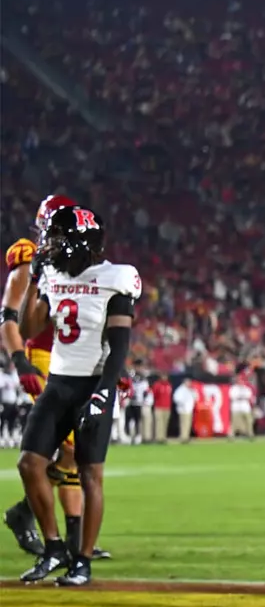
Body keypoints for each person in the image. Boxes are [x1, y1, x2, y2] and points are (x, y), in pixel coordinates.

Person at [15, 205, 138, 586]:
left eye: (56, 238)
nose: (48, 245)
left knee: (89, 474)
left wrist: (103, 394)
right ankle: (54, 548)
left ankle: (82, 561)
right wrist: (35, 279)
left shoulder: (115, 277)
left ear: (77, 241)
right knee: (29, 463)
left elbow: (118, 345)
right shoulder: (51, 273)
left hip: (93, 383)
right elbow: (28, 326)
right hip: (59, 381)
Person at [2, 195, 88, 559]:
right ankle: (29, 516)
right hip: (43, 356)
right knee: (68, 446)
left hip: (76, 359)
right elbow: (7, 318)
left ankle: (70, 538)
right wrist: (20, 361)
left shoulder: (79, 262)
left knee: (78, 451)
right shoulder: (29, 261)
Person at [228, 374, 255, 440]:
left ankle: (250, 434)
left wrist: (240, 397)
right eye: (240, 381)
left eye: (242, 381)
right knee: (234, 422)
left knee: (249, 421)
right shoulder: (233, 388)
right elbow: (232, 396)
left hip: (245, 407)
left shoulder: (246, 388)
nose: (241, 382)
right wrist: (241, 396)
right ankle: (231, 435)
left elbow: (249, 396)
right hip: (236, 407)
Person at [173, 378, 197, 443]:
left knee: (188, 424)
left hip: (189, 409)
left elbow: (195, 397)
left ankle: (186, 437)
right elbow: (176, 399)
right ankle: (183, 437)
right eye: (188, 382)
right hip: (183, 410)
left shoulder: (191, 390)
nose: (189, 384)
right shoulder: (180, 390)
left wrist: (193, 391)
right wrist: (183, 405)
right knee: (183, 424)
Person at [150, 374, 172, 443]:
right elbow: (154, 394)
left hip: (167, 407)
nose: (164, 377)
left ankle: (163, 437)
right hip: (158, 407)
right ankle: (158, 438)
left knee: (165, 423)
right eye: (163, 375)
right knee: (159, 423)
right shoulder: (157, 385)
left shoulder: (169, 385)